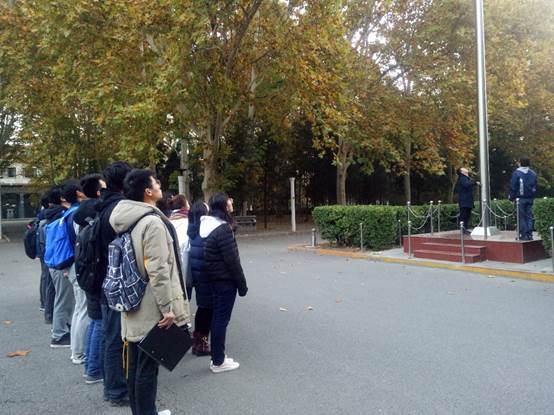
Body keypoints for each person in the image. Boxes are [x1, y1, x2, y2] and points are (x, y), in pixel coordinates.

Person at [110, 169, 190, 415]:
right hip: (152, 306)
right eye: (156, 183)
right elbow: (158, 270)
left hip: (133, 302)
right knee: (147, 369)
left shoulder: (129, 220)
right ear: (147, 191)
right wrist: (168, 308)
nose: (159, 187)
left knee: (135, 366)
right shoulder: (152, 223)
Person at [96, 161, 132, 406]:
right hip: (116, 283)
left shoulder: (103, 206)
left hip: (103, 279)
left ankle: (110, 383)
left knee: (109, 335)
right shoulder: (118, 210)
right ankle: (116, 390)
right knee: (115, 338)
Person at [202, 192, 248, 373]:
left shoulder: (208, 226)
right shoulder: (222, 230)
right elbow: (232, 261)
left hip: (214, 279)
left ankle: (217, 357)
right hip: (224, 281)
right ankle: (218, 361)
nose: (231, 201)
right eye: (229, 199)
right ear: (223, 205)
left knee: (217, 318)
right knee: (221, 320)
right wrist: (242, 285)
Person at [73, 173, 106, 382]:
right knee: (100, 322)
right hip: (97, 273)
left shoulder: (79, 213)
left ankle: (89, 365)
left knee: (94, 320)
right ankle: (94, 370)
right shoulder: (97, 212)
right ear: (98, 191)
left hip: (86, 272)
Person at [47, 179, 82, 348]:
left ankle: (61, 330)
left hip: (57, 261)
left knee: (64, 299)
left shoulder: (63, 214)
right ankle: (59, 335)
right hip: (64, 263)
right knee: (64, 300)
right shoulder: (72, 214)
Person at [187, 201, 212, 356]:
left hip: (197, 276)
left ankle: (198, 342)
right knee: (207, 311)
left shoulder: (192, 231)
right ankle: (202, 343)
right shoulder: (204, 233)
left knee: (202, 309)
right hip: (206, 277)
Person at [37, 187, 64, 324]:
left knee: (47, 280)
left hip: (47, 254)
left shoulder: (44, 218)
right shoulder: (60, 216)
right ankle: (53, 318)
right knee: (58, 291)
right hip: (57, 258)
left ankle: (46, 308)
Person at [509, 157, 538, 241]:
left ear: (520, 163)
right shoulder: (533, 173)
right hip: (530, 198)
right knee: (529, 217)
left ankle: (523, 235)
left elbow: (513, 186)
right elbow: (535, 186)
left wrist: (511, 198)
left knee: (522, 217)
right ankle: (530, 235)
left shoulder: (516, 173)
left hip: (520, 198)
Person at [455, 168, 479, 235]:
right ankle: (464, 230)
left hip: (466, 201)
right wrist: (475, 183)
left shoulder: (466, 178)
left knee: (466, 215)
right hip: (464, 201)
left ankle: (465, 229)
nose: (466, 168)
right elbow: (466, 184)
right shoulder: (463, 178)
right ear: (462, 172)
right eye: (463, 168)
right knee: (464, 215)